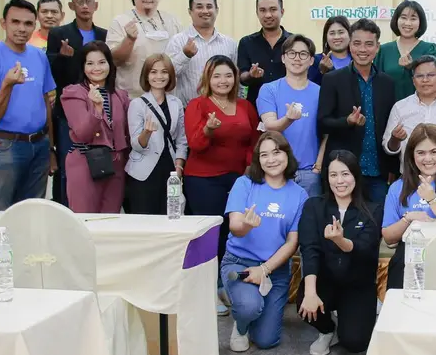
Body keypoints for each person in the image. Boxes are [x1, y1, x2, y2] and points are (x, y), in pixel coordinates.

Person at [221, 132, 308, 352]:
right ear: (257, 159)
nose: (271, 160)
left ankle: (249, 309)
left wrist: (265, 269)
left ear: (287, 154)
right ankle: (241, 324)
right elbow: (235, 227)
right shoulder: (244, 183)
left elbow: (292, 242)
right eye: (264, 155)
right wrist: (247, 225)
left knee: (266, 340)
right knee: (250, 307)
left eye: (276, 152)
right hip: (240, 263)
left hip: (275, 270)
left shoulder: (299, 194)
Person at [296, 150, 383, 355]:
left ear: (355, 175)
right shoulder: (314, 206)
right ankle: (327, 330)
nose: (340, 181)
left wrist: (340, 241)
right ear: (327, 178)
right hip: (325, 280)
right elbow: (309, 249)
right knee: (305, 304)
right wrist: (310, 292)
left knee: (355, 343)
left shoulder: (373, 209)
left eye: (345, 174)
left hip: (357, 284)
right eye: (333, 175)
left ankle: (355, 315)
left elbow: (366, 248)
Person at [0, 0, 57, 210]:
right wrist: (7, 85)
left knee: (33, 211)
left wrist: (50, 148)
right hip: (6, 146)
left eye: (28, 23)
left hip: (40, 145)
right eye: (15, 22)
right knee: (1, 212)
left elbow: (46, 102)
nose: (22, 28)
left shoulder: (39, 56)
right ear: (4, 23)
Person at [184, 56, 260, 270]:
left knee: (232, 230)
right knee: (209, 232)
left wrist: (248, 166)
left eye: (228, 75)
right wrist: (208, 129)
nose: (223, 81)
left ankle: (227, 277)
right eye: (216, 76)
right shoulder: (197, 105)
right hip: (203, 180)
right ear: (208, 79)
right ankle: (206, 278)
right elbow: (195, 144)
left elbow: (254, 140)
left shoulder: (245, 106)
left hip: (238, 178)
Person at [318, 18, 398, 206]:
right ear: (350, 45)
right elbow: (322, 122)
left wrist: (392, 167)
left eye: (369, 44)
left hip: (378, 171)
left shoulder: (387, 83)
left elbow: (390, 125)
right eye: (357, 43)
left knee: (378, 220)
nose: (363, 49)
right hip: (343, 170)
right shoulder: (332, 79)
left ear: (377, 47)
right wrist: (347, 121)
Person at [382, 124, 436, 289]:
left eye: (434, 152)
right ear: (412, 155)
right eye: (421, 153)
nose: (428, 158)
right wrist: (409, 218)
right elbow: (388, 237)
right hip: (406, 261)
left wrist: (431, 197)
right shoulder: (397, 187)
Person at [47, 0, 107, 206]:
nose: (84, 6)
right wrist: (63, 58)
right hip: (68, 112)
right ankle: (65, 210)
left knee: (99, 165)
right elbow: (51, 73)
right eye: (79, 2)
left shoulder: (104, 35)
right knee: (68, 165)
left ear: (95, 5)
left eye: (88, 1)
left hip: (99, 108)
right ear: (71, 6)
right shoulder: (58, 34)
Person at [61, 41, 130, 213]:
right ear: (83, 67)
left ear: (110, 64)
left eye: (102, 62)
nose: (96, 68)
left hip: (115, 164)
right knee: (85, 220)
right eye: (90, 63)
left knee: (110, 219)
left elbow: (126, 133)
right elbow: (83, 133)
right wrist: (97, 110)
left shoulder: (120, 95)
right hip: (85, 162)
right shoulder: (74, 93)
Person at [257, 35, 325, 197]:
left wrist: (318, 166)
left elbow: (327, 133)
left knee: (310, 213)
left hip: (310, 173)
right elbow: (270, 126)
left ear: (311, 60)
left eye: (303, 54)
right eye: (292, 53)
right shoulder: (269, 89)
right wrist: (289, 119)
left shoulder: (321, 92)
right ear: (283, 58)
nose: (297, 58)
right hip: (276, 170)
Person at [125, 54, 188, 215]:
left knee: (171, 216)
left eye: (164, 72)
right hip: (143, 173)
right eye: (153, 72)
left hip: (170, 169)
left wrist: (179, 166)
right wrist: (146, 132)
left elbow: (181, 139)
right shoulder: (137, 104)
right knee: (144, 220)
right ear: (146, 75)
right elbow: (136, 145)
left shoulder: (176, 103)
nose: (159, 76)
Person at [107, 0, 183, 99]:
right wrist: (129, 39)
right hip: (132, 97)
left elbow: (180, 58)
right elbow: (114, 60)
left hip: (167, 97)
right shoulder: (121, 21)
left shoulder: (172, 21)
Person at [164, 0, 238, 106]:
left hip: (223, 109)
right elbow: (167, 75)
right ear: (190, 11)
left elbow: (236, 79)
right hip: (188, 109)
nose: (205, 11)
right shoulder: (177, 41)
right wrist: (185, 55)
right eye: (199, 7)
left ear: (217, 10)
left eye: (209, 7)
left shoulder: (229, 43)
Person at [374, 0, 436, 101]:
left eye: (413, 19)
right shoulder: (383, 50)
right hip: (388, 107)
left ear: (420, 22)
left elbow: (431, 81)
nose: (408, 23)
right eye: (403, 18)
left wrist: (412, 67)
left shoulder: (430, 49)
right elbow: (376, 83)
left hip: (421, 106)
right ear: (396, 19)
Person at [238, 0, 292, 105]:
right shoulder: (246, 42)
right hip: (256, 106)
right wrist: (251, 75)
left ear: (282, 12)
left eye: (273, 9)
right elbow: (242, 77)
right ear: (257, 13)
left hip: (289, 104)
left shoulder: (294, 42)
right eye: (262, 10)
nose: (268, 15)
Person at [308, 16, 352, 85]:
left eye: (341, 32)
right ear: (326, 37)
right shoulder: (316, 60)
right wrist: (321, 72)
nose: (336, 37)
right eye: (332, 33)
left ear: (350, 35)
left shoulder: (357, 60)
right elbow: (311, 87)